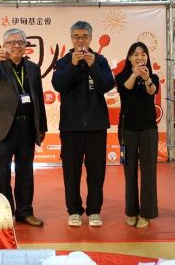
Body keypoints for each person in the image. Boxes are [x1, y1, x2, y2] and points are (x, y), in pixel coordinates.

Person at [0, 28, 47, 227]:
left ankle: (25, 211)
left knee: (25, 171)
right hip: (3, 127)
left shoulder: (33, 68)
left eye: (21, 42)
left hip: (27, 127)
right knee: (1, 172)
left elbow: (38, 98)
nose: (17, 46)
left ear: (26, 46)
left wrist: (41, 126)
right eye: (12, 43)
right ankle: (3, 212)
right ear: (4, 46)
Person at [52, 21, 115, 227]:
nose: (80, 41)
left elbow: (106, 86)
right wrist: (72, 64)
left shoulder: (100, 60)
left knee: (96, 172)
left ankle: (94, 210)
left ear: (91, 38)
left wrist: (93, 65)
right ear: (71, 39)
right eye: (77, 37)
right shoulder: (63, 62)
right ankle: (74, 210)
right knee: (71, 172)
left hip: (97, 126)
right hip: (70, 127)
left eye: (84, 37)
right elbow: (59, 85)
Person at [115, 42, 159, 229]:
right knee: (129, 171)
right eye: (135, 54)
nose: (140, 57)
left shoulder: (153, 77)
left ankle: (146, 213)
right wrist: (134, 74)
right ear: (129, 57)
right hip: (128, 130)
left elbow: (152, 91)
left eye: (143, 54)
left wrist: (147, 79)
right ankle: (131, 211)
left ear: (147, 57)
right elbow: (125, 90)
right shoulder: (121, 76)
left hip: (148, 129)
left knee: (149, 172)